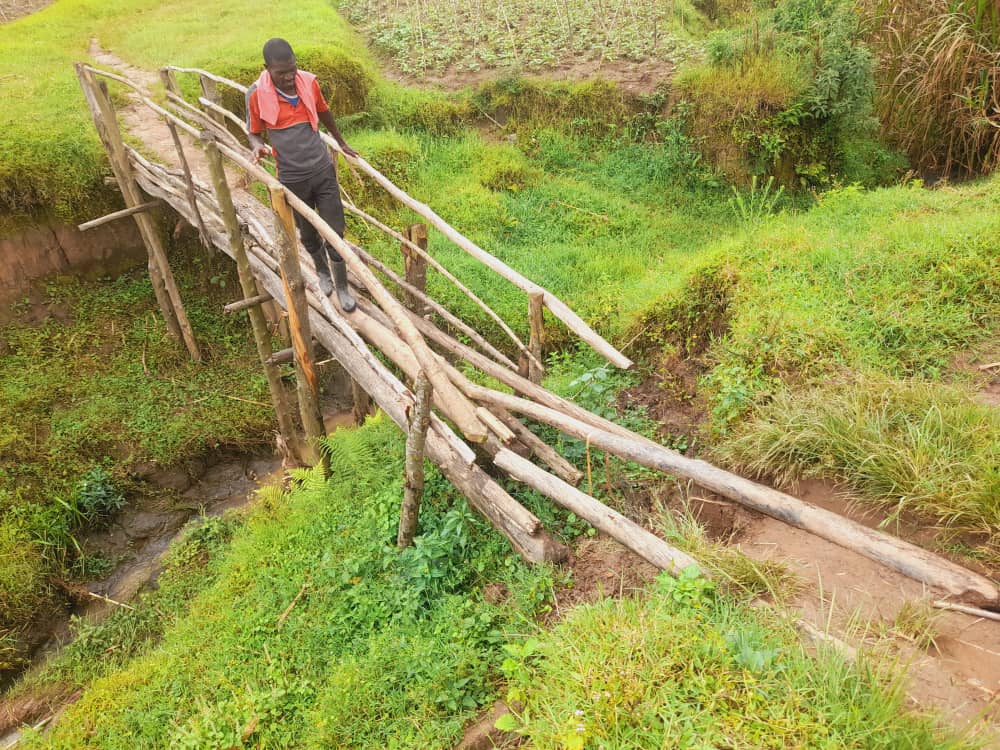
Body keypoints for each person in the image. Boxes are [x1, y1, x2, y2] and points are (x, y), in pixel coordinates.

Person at [246, 37, 357, 312]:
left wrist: (341, 142)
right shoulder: (257, 94)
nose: (288, 77)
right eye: (280, 73)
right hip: (292, 177)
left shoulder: (308, 82)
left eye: (291, 70)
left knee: (335, 229)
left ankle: (342, 286)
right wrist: (258, 146)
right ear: (267, 68)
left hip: (321, 169)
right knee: (307, 232)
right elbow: (253, 132)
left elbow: (324, 111)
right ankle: (322, 272)